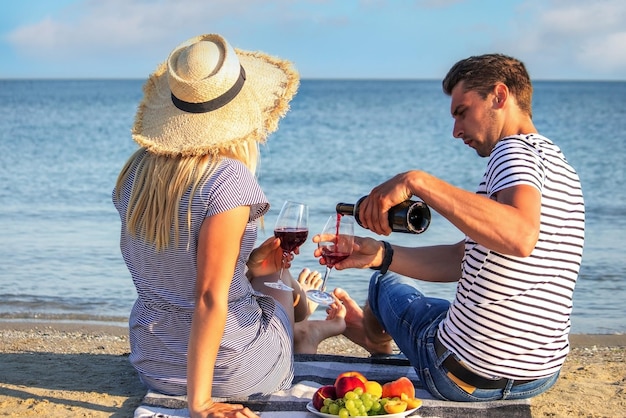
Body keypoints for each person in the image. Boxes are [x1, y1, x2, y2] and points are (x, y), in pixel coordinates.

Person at [315, 53, 585, 402]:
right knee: (398, 279)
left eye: (462, 112)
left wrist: (417, 181)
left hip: (460, 376)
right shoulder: (560, 165)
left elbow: (520, 236)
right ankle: (384, 331)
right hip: (539, 374)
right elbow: (464, 257)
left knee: (385, 285)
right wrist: (380, 253)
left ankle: (375, 344)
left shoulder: (511, 153)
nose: (456, 131)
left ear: (499, 97)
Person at [112, 33, 344, 418]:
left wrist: (248, 263)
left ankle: (295, 311)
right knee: (273, 282)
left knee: (255, 270)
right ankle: (306, 323)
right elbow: (207, 297)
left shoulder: (134, 173)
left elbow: (174, 265)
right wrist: (200, 405)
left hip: (154, 364)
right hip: (233, 372)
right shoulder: (228, 180)